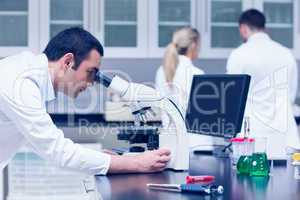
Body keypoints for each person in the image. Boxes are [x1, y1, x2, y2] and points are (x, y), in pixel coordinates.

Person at [0, 27, 170, 174]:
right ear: (67, 62)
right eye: (90, 72)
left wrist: (100, 158)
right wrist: (137, 163)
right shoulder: (22, 83)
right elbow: (59, 153)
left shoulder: (29, 73)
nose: (91, 83)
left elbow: (39, 142)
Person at [227, 9, 300, 158]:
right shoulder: (286, 53)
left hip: (251, 138)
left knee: (246, 180)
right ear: (264, 27)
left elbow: (233, 98)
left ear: (243, 28)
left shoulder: (238, 55)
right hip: (283, 137)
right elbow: (291, 95)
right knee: (285, 180)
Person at [155, 27, 204, 117]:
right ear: (193, 45)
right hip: (189, 130)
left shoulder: (161, 70)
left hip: (167, 129)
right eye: (199, 45)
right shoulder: (196, 73)